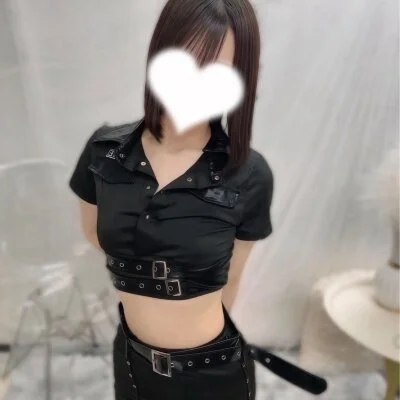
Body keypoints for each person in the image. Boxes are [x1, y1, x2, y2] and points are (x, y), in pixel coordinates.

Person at [69, 1, 272, 399]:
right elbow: (94, 233)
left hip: (211, 373)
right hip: (131, 359)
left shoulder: (249, 175)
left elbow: (231, 281)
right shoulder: (104, 151)